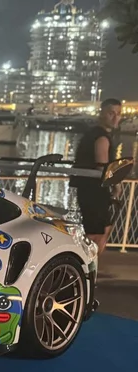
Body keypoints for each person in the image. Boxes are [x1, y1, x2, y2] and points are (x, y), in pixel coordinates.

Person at [72, 98, 123, 256]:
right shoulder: (101, 137)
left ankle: (90, 262)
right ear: (102, 114)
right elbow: (103, 167)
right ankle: (87, 263)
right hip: (94, 191)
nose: (115, 118)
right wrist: (116, 184)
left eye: (118, 114)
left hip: (90, 189)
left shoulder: (92, 134)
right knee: (95, 235)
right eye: (111, 113)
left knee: (104, 229)